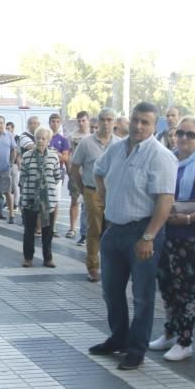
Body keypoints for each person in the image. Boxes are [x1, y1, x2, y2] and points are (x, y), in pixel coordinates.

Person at [88, 102, 177, 371]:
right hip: (114, 230)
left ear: (154, 125)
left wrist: (149, 237)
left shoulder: (160, 155)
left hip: (143, 233)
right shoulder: (116, 149)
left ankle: (136, 349)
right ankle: (118, 338)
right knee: (111, 291)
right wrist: (104, 195)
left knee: (142, 296)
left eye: (145, 122)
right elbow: (98, 171)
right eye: (136, 120)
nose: (138, 126)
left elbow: (165, 200)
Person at [148, 117, 195, 362]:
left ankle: (185, 340)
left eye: (190, 134)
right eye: (180, 133)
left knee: (186, 290)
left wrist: (188, 218)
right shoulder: (166, 160)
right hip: (164, 233)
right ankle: (170, 331)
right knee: (167, 285)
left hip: (187, 237)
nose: (183, 138)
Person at [70, 108, 115, 282]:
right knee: (94, 229)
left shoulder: (120, 144)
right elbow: (74, 168)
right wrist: (82, 189)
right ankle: (93, 267)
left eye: (110, 120)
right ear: (98, 122)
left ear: (114, 122)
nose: (106, 123)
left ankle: (111, 266)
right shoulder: (86, 143)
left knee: (112, 231)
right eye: (103, 119)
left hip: (113, 194)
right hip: (93, 191)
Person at [20, 127, 62, 267]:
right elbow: (23, 177)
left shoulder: (54, 157)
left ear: (48, 141)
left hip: (47, 200)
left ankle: (48, 258)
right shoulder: (27, 156)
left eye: (44, 138)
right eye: (38, 138)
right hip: (30, 197)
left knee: (47, 231)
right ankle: (28, 258)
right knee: (29, 231)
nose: (40, 141)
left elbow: (57, 177)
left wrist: (45, 188)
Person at [66, 111, 92, 239]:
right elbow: (69, 154)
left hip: (91, 173)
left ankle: (87, 230)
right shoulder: (72, 136)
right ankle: (72, 228)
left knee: (90, 203)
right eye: (79, 121)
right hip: (77, 173)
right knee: (74, 200)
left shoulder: (93, 135)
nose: (81, 123)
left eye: (84, 120)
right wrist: (69, 170)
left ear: (88, 120)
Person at [47, 114, 70, 237]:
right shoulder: (44, 137)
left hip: (58, 172)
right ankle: (42, 226)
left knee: (55, 201)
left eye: (57, 121)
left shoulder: (63, 140)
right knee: (44, 200)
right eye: (52, 121)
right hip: (45, 172)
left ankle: (53, 227)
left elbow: (65, 157)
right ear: (49, 123)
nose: (55, 124)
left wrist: (56, 154)